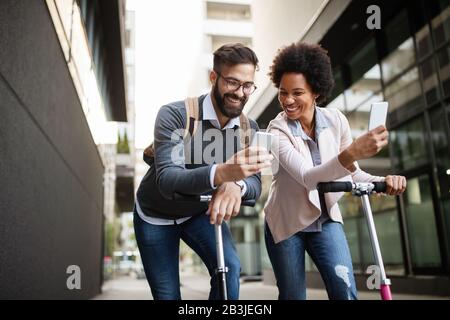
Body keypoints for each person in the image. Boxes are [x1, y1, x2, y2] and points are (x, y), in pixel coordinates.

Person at [263, 42, 406, 300]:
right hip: (287, 223)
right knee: (293, 296)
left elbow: (351, 173)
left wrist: (384, 181)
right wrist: (352, 152)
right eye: (283, 92)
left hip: (326, 219)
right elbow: (308, 177)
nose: (287, 100)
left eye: (297, 92)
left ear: (316, 91)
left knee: (344, 289)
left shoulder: (336, 120)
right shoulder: (276, 130)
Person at [134, 43, 272, 300]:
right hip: (155, 214)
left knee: (228, 272)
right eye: (232, 82)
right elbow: (168, 180)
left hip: (198, 213)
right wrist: (223, 173)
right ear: (213, 77)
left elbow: (254, 185)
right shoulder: (175, 114)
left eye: (248, 85)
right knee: (167, 295)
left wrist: (235, 184)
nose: (240, 93)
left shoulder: (248, 128)